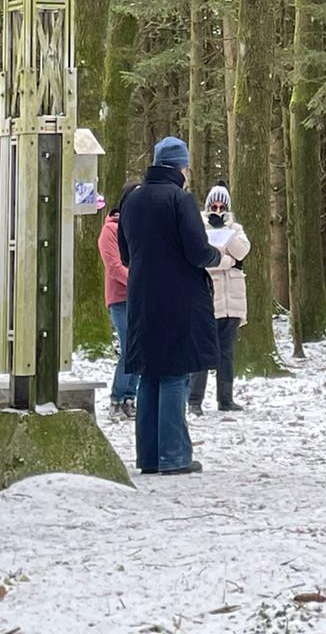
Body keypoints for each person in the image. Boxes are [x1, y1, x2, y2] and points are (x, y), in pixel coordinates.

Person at [118, 136, 221, 476]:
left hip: (142, 296)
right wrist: (217, 255)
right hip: (178, 296)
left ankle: (149, 457)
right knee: (176, 373)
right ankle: (175, 456)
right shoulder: (180, 199)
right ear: (181, 167)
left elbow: (125, 253)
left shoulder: (132, 199)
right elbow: (197, 251)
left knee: (149, 374)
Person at [188, 185, 251, 416]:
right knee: (202, 352)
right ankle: (194, 401)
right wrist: (227, 261)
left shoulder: (236, 229)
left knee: (226, 353)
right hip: (209, 299)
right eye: (214, 206)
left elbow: (241, 252)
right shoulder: (198, 228)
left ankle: (225, 399)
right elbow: (205, 260)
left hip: (232, 301)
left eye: (222, 206)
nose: (218, 210)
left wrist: (226, 232)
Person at [98, 181, 140, 420]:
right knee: (129, 347)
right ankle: (117, 398)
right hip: (121, 297)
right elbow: (114, 267)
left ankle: (129, 398)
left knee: (139, 348)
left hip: (141, 297)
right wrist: (139, 282)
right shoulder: (110, 230)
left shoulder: (142, 227)